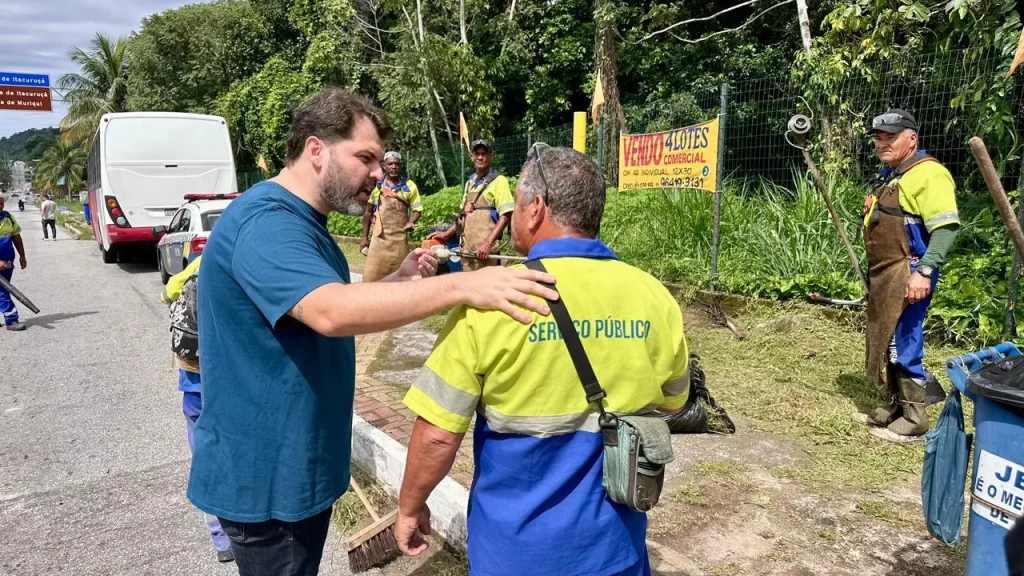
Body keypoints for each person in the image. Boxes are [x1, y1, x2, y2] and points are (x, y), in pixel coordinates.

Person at [188, 88, 557, 576]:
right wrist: (466, 286)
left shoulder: (304, 222)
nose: (379, 174)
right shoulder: (268, 223)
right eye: (365, 158)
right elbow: (330, 312)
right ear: (316, 150)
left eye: (380, 161)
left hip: (295, 468)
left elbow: (325, 314)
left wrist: (400, 280)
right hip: (268, 483)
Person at [395, 146, 690, 576]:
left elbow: (438, 436)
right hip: (615, 552)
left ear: (535, 209)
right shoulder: (653, 296)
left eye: (515, 204)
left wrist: (409, 507)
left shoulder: (491, 301)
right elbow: (674, 403)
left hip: (514, 555)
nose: (512, 216)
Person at [860, 109, 959, 442]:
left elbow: (945, 229)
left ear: (912, 138)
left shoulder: (930, 174)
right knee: (886, 338)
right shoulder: (892, 174)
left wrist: (924, 273)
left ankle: (916, 419)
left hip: (911, 270)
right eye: (879, 138)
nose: (883, 143)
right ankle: (896, 406)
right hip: (886, 272)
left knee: (904, 341)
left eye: (891, 137)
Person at [160, 255, 234, 564]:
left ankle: (221, 538)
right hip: (232, 382)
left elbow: (167, 293)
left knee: (205, 454)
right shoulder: (254, 262)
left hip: (194, 378)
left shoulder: (202, 261)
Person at [427, 140, 514, 270]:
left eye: (484, 153)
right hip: (467, 251)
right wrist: (446, 234)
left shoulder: (499, 181)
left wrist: (488, 244)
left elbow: (506, 215)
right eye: (477, 153)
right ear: (472, 157)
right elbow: (463, 217)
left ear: (491, 156)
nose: (480, 157)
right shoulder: (470, 184)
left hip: (486, 252)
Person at [360, 151, 422, 281]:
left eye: (397, 164)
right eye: (390, 164)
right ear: (384, 165)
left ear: (400, 166)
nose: (394, 167)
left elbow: (417, 210)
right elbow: (368, 212)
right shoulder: (376, 186)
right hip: (379, 240)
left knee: (400, 280)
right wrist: (364, 238)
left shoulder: (409, 186)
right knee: (371, 280)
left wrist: (411, 221)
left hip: (400, 241)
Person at [0, 196, 27, 331]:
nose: (0, 205)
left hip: (7, 262)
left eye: (1, 203)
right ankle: (11, 320)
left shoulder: (8, 217)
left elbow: (16, 236)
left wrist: (22, 255)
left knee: (3, 289)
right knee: (3, 290)